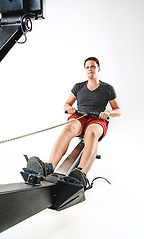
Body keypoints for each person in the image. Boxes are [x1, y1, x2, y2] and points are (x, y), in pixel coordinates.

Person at [27, 57, 121, 190]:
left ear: (98, 69)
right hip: (80, 116)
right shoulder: (78, 86)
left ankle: (80, 174)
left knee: (92, 132)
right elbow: (66, 104)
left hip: (97, 119)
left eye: (93, 66)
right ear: (85, 70)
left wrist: (108, 113)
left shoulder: (107, 88)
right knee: (70, 127)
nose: (90, 69)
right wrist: (69, 108)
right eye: (87, 67)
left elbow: (118, 111)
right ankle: (50, 166)